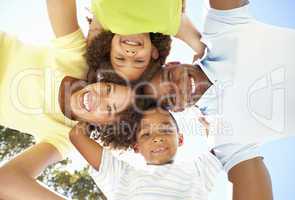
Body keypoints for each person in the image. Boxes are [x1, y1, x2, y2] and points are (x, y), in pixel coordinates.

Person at [0, 0, 139, 199]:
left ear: (103, 126)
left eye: (109, 109)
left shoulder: (64, 137)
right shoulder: (77, 59)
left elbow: (6, 181)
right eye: (108, 89)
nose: (99, 98)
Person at [70, 106, 223, 200]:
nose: (157, 138)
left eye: (165, 130)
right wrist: (104, 111)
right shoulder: (121, 174)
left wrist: (205, 118)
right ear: (137, 147)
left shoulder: (197, 171)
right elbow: (77, 136)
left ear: (180, 139)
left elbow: (223, 145)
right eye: (146, 134)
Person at [86, 0, 206, 81]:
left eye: (120, 58)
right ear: (153, 52)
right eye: (139, 61)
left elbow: (92, 38)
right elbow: (204, 47)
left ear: (108, 48)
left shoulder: (105, 21)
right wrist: (202, 57)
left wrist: (90, 73)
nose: (130, 54)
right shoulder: (169, 23)